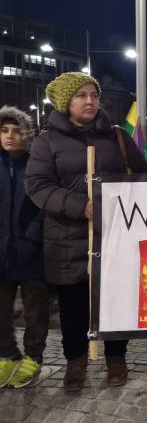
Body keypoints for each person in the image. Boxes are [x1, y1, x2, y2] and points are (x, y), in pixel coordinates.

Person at [25, 72, 147, 392]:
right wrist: (81, 206)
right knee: (74, 307)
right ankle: (75, 362)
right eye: (81, 96)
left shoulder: (117, 136)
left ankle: (116, 358)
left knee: (116, 301)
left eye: (93, 95)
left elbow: (142, 176)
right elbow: (37, 186)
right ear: (66, 102)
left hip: (113, 237)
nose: (90, 101)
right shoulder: (46, 141)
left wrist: (123, 197)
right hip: (67, 239)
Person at [0, 106, 49, 389]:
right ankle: (7, 354)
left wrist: (31, 239)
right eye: (4, 130)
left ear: (27, 134)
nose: (10, 136)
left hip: (31, 252)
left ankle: (33, 356)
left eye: (16, 131)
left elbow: (44, 206)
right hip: (2, 252)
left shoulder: (35, 166)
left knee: (36, 311)